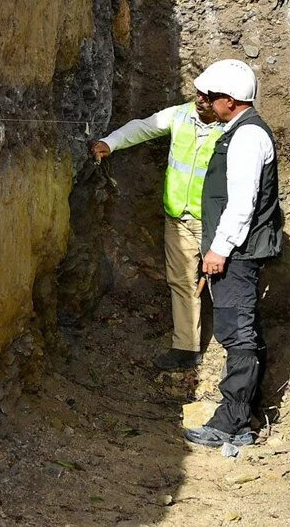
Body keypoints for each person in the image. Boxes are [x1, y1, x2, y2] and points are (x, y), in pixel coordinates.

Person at [182, 59, 284, 448]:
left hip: (236, 253)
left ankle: (232, 423)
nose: (204, 102)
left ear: (230, 100)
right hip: (236, 250)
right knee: (239, 329)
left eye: (210, 97)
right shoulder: (239, 131)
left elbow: (242, 203)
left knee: (236, 332)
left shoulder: (246, 137)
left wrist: (218, 251)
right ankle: (241, 417)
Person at [90, 80, 224, 370]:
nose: (199, 99)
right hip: (177, 217)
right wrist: (109, 143)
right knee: (182, 282)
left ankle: (234, 351)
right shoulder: (180, 115)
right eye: (198, 93)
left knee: (225, 286)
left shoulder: (232, 128)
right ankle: (186, 348)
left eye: (207, 96)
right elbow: (143, 127)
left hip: (214, 222)